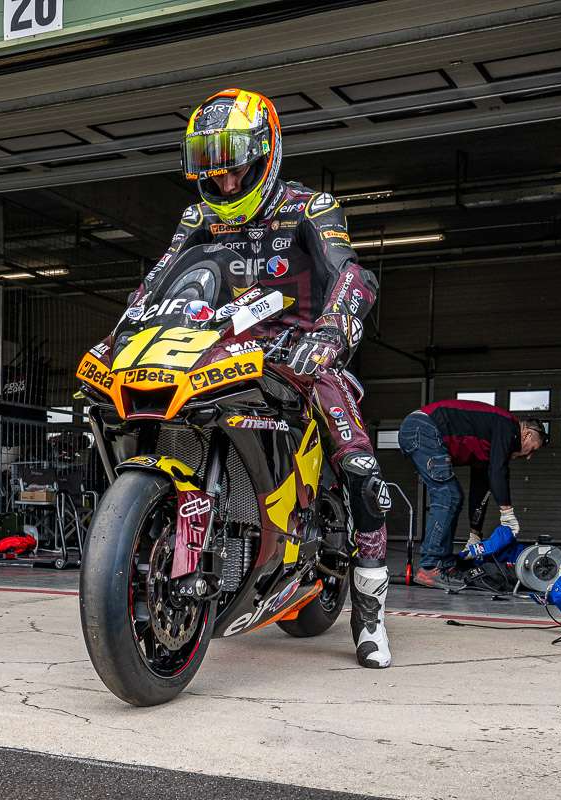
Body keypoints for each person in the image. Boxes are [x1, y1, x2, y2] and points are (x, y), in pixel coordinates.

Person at [123, 88, 393, 668]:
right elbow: (156, 283)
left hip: (300, 354)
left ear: (266, 153)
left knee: (360, 469)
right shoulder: (197, 219)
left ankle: (370, 615)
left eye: (234, 166)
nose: (223, 181)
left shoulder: (311, 207)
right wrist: (129, 324)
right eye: (210, 167)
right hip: (217, 349)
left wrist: (331, 331)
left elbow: (352, 275)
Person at [398, 400, 547, 590]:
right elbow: (498, 471)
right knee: (447, 496)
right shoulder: (508, 426)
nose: (529, 456)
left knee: (453, 495)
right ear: (526, 435)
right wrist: (507, 513)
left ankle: (444, 565)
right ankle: (430, 566)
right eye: (532, 449)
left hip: (421, 430)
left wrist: (475, 534)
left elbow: (480, 489)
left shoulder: (490, 442)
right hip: (423, 428)